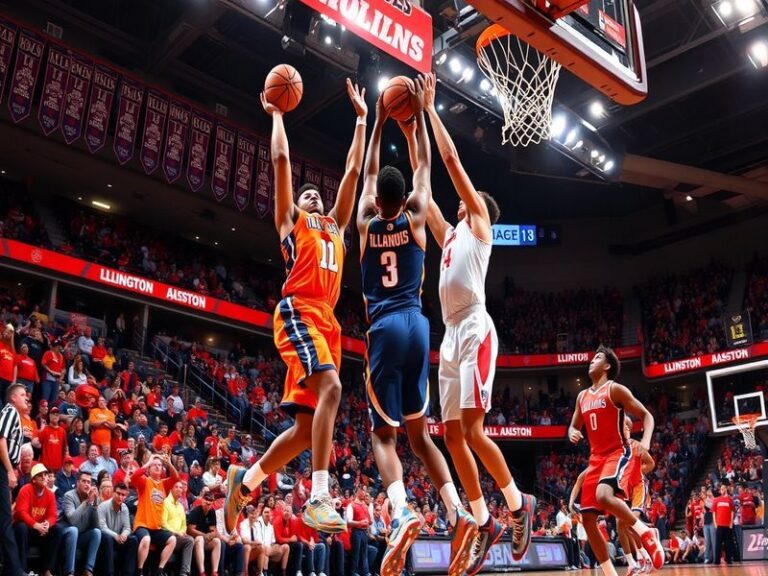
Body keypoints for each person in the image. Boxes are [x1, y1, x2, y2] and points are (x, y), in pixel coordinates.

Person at [225, 78, 367, 535]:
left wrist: (362, 121)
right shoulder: (292, 223)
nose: (313, 196)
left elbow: (351, 174)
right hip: (298, 311)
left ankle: (244, 482)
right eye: (306, 195)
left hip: (327, 322)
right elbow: (281, 161)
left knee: (306, 431)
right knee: (333, 391)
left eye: (315, 194)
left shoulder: (336, 226)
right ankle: (320, 495)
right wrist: (277, 115)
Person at [358, 77, 478, 576]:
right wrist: (419, 115)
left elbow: (367, 178)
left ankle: (403, 510)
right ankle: (457, 511)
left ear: (377, 200)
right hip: (419, 325)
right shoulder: (415, 223)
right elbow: (425, 164)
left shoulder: (366, 224)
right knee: (421, 435)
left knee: (382, 440)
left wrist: (378, 119)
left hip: (383, 327)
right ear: (405, 197)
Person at [420, 72, 535, 574]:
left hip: (475, 328)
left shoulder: (480, 227)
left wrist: (429, 110)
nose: (459, 199)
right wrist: (409, 130)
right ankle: (484, 519)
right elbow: (424, 200)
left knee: (472, 427)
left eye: (466, 198)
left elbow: (451, 162)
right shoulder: (448, 236)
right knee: (450, 434)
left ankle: (517, 503)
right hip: (448, 334)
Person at [568, 347, 664, 576]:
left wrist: (646, 443)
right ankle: (610, 572)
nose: (592, 361)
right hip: (595, 459)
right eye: (592, 358)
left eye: (598, 358)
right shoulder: (582, 396)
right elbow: (574, 424)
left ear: (608, 366)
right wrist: (572, 431)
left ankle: (645, 532)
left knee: (603, 495)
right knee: (588, 519)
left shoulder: (615, 389)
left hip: (616, 453)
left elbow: (647, 416)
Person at [616, 416, 655, 575]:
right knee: (620, 523)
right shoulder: (614, 448)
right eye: (620, 427)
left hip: (638, 486)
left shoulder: (636, 445)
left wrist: (638, 471)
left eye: (625, 427)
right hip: (623, 487)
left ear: (629, 429)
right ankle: (632, 563)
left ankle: (645, 558)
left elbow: (651, 463)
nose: (623, 429)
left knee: (631, 522)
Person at [132, 454, 179, 576]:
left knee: (172, 539)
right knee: (146, 539)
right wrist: (149, 461)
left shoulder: (164, 484)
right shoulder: (145, 481)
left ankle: (159, 570)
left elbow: (175, 477)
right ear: (149, 469)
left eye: (159, 465)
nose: (158, 467)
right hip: (142, 525)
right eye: (155, 465)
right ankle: (140, 571)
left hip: (156, 528)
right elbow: (135, 476)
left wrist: (169, 463)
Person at [12, 462, 62, 576]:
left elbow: (53, 515)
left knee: (57, 530)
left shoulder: (50, 494)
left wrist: (47, 524)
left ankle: (47, 570)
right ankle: (22, 570)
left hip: (40, 530)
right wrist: (36, 525)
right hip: (26, 529)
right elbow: (21, 512)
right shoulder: (25, 490)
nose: (44, 477)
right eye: (40, 475)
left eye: (45, 474)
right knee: (21, 527)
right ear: (33, 480)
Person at [0, 383, 30, 576]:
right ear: (13, 398)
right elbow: (0, 439)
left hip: (5, 468)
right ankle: (15, 570)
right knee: (4, 521)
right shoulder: (10, 411)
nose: (27, 397)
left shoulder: (16, 416)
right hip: (1, 468)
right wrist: (10, 471)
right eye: (22, 394)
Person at [59, 469, 103, 576]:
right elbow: (72, 520)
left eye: (89, 482)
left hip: (81, 536)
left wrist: (94, 505)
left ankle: (88, 570)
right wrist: (86, 502)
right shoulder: (69, 496)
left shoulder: (93, 499)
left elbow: (97, 526)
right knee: (73, 530)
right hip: (66, 536)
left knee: (96, 532)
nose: (87, 485)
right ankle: (70, 572)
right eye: (84, 481)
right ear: (77, 482)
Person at [98, 481, 139, 576]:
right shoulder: (103, 506)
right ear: (113, 492)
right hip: (105, 539)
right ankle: (110, 573)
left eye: (123, 495)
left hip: (118, 539)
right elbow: (102, 527)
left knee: (133, 539)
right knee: (107, 538)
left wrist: (124, 535)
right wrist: (115, 535)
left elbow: (127, 527)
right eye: (118, 493)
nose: (120, 497)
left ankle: (128, 573)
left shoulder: (124, 508)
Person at [163, 479, 196, 576]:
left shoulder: (181, 506)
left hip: (178, 536)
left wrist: (181, 532)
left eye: (180, 487)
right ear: (171, 489)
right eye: (176, 487)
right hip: (167, 534)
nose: (179, 489)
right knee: (189, 540)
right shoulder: (165, 502)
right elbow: (163, 523)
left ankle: (185, 571)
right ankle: (184, 572)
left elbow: (183, 525)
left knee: (190, 539)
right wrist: (176, 532)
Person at [187, 491, 223, 576]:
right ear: (203, 501)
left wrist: (212, 534)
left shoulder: (212, 512)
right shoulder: (196, 511)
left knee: (217, 541)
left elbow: (213, 529)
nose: (208, 506)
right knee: (200, 539)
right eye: (207, 503)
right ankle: (202, 572)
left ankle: (214, 571)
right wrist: (204, 535)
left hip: (206, 540)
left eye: (210, 504)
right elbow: (190, 530)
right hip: (195, 541)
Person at [39, 406, 67, 472]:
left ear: (59, 417)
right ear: (49, 416)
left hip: (58, 467)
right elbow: (39, 442)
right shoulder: (45, 429)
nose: (55, 416)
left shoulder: (62, 431)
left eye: (57, 415)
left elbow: (65, 449)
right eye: (53, 414)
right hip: (45, 467)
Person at [713, 483, 735, 564]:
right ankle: (717, 560)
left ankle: (728, 559)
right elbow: (714, 512)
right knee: (718, 543)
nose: (723, 489)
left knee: (728, 543)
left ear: (726, 489)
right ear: (720, 491)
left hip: (727, 525)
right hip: (719, 525)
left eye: (724, 488)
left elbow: (732, 511)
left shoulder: (730, 499)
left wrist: (731, 522)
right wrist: (715, 523)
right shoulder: (716, 499)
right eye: (721, 488)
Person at [240, 505, 265, 576]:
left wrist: (253, 543)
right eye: (251, 514)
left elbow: (260, 541)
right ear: (247, 514)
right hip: (244, 551)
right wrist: (253, 543)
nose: (254, 516)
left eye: (255, 514)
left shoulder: (257, 524)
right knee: (247, 547)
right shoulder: (243, 524)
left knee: (262, 548)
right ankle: (245, 572)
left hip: (253, 550)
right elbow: (244, 540)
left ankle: (260, 572)